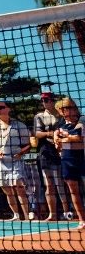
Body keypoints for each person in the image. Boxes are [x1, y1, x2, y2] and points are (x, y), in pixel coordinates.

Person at [0, 101, 33, 221]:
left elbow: (29, 143)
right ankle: (16, 215)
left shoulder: (19, 125)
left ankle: (27, 216)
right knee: (6, 189)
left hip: (15, 160)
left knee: (19, 187)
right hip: (1, 161)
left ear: (8, 109)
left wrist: (21, 152)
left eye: (1, 107)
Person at [34, 91, 73, 221]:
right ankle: (53, 214)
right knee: (49, 184)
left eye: (47, 100)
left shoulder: (62, 116)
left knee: (61, 183)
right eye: (43, 100)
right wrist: (52, 133)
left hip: (61, 151)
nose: (45, 102)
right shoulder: (39, 116)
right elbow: (37, 134)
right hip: (45, 152)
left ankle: (67, 212)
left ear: (53, 101)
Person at [52, 97, 85, 228]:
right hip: (67, 160)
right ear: (61, 111)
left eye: (71, 107)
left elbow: (79, 138)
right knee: (73, 190)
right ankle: (82, 220)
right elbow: (57, 143)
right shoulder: (60, 126)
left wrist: (64, 138)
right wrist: (57, 140)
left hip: (81, 158)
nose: (69, 111)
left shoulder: (82, 121)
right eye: (66, 108)